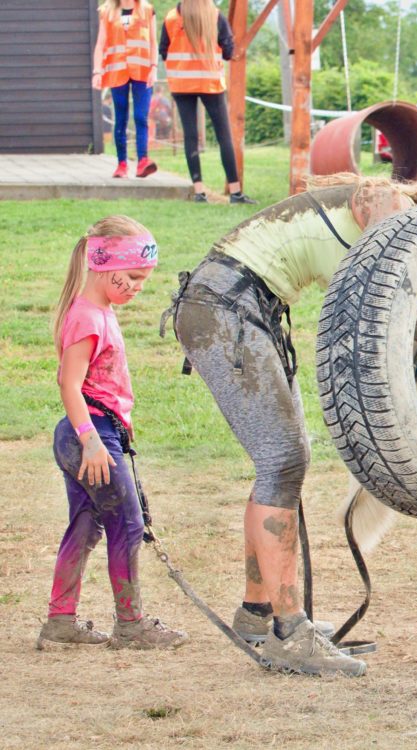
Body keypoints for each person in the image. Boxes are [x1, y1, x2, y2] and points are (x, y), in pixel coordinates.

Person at [161, 169, 417, 677]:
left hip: (241, 305)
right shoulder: (390, 205)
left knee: (281, 462)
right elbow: (377, 300)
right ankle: (290, 633)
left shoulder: (393, 209)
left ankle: (258, 614)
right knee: (281, 462)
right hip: (225, 307)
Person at [38, 216, 188, 651]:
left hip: (95, 432)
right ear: (105, 266)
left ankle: (60, 621)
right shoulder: (88, 317)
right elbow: (69, 383)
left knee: (86, 525)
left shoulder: (98, 311)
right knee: (128, 523)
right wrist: (90, 440)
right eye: (135, 276)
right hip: (90, 435)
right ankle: (131, 625)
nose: (140, 286)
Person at [160, 0, 255, 204]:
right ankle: (236, 192)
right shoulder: (215, 17)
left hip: (181, 84)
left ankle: (199, 191)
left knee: (190, 136)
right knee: (224, 136)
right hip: (210, 83)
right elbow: (229, 52)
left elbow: (163, 51)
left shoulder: (171, 19)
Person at [92, 0, 158, 179]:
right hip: (117, 70)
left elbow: (153, 41)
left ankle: (143, 161)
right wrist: (97, 71)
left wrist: (154, 67)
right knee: (120, 118)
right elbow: (100, 44)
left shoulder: (147, 10)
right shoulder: (107, 12)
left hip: (143, 71)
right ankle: (122, 164)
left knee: (140, 116)